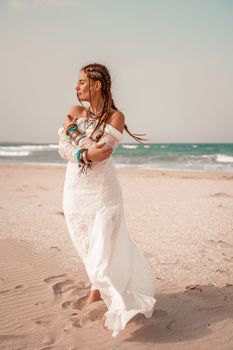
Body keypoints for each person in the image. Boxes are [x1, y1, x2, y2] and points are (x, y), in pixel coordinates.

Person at [57, 63, 156, 337]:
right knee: (84, 241)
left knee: (104, 242)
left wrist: (74, 135)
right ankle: (96, 287)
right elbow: (62, 148)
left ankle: (106, 293)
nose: (76, 87)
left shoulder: (116, 117)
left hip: (102, 191)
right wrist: (81, 153)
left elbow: (100, 154)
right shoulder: (76, 111)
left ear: (97, 85)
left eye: (81, 82)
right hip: (74, 189)